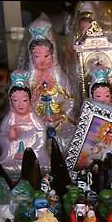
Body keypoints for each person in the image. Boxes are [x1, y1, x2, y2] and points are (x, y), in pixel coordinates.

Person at [24, 16, 77, 156]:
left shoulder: (60, 78)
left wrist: (61, 115)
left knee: (69, 137)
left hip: (59, 121)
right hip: (37, 122)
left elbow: (70, 100)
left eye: (46, 56)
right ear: (31, 57)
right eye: (37, 57)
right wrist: (33, 96)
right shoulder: (29, 80)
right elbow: (22, 106)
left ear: (52, 55)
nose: (42, 61)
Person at [0, 69, 50, 178]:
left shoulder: (33, 118)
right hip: (13, 156)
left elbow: (41, 135)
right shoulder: (10, 119)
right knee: (4, 167)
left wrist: (30, 152)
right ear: (11, 102)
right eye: (15, 100)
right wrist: (10, 138)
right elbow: (1, 137)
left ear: (30, 101)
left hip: (33, 153)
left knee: (42, 165)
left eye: (24, 100)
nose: (20, 104)